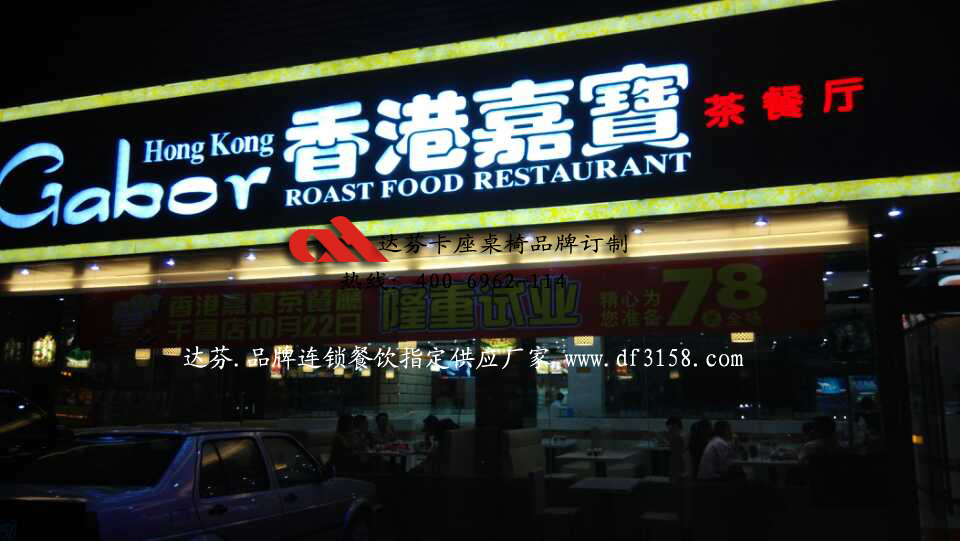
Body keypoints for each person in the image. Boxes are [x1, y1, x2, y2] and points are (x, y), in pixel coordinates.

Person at [666, 416, 689, 482]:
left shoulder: (678, 437)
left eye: (669, 427)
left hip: (678, 469)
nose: (668, 429)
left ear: (675, 425)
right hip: (681, 468)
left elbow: (677, 455)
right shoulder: (684, 435)